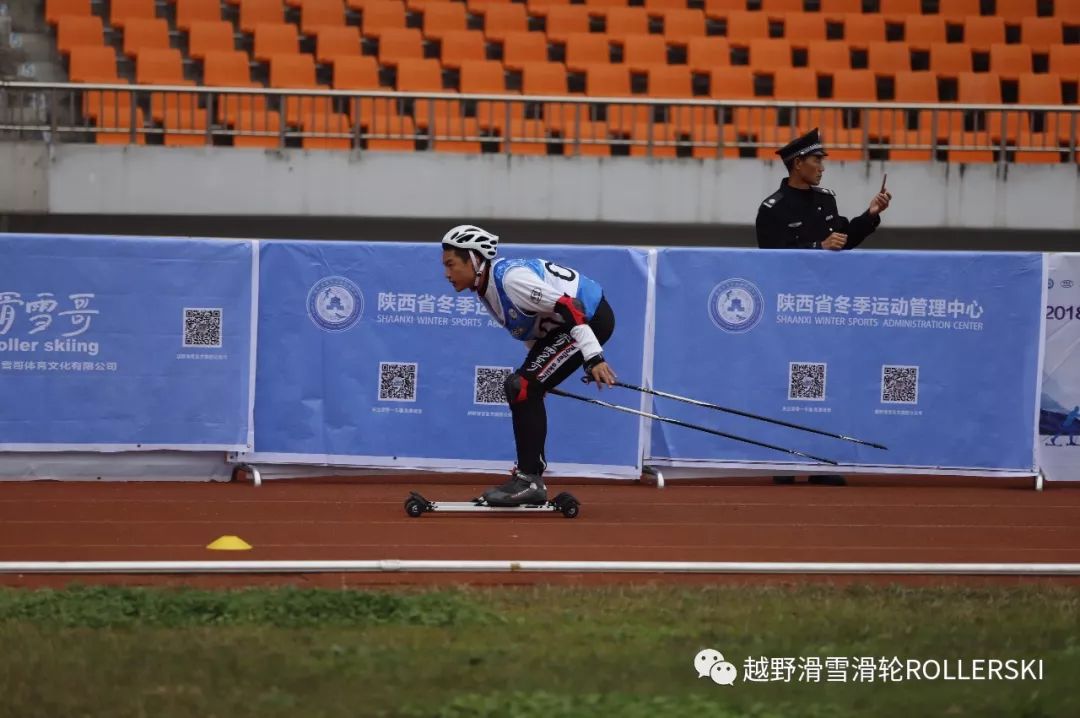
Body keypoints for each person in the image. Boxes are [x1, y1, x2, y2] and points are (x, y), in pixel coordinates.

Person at [441, 224, 617, 506]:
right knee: (522, 388)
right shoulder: (488, 290)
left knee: (522, 387)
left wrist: (593, 356)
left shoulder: (511, 280)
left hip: (589, 318)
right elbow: (536, 331)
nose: (447, 274)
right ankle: (527, 477)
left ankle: (529, 480)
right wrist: (540, 378)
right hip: (567, 327)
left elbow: (571, 307)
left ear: (474, 260)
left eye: (451, 265)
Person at [756, 128, 892, 486]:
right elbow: (770, 258)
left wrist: (871, 214)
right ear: (797, 163)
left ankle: (819, 460)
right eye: (816, 160)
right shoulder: (772, 208)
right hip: (790, 310)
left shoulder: (826, 200)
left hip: (827, 307)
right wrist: (817, 246)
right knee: (789, 384)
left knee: (821, 384)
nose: (822, 167)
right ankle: (784, 459)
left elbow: (842, 241)